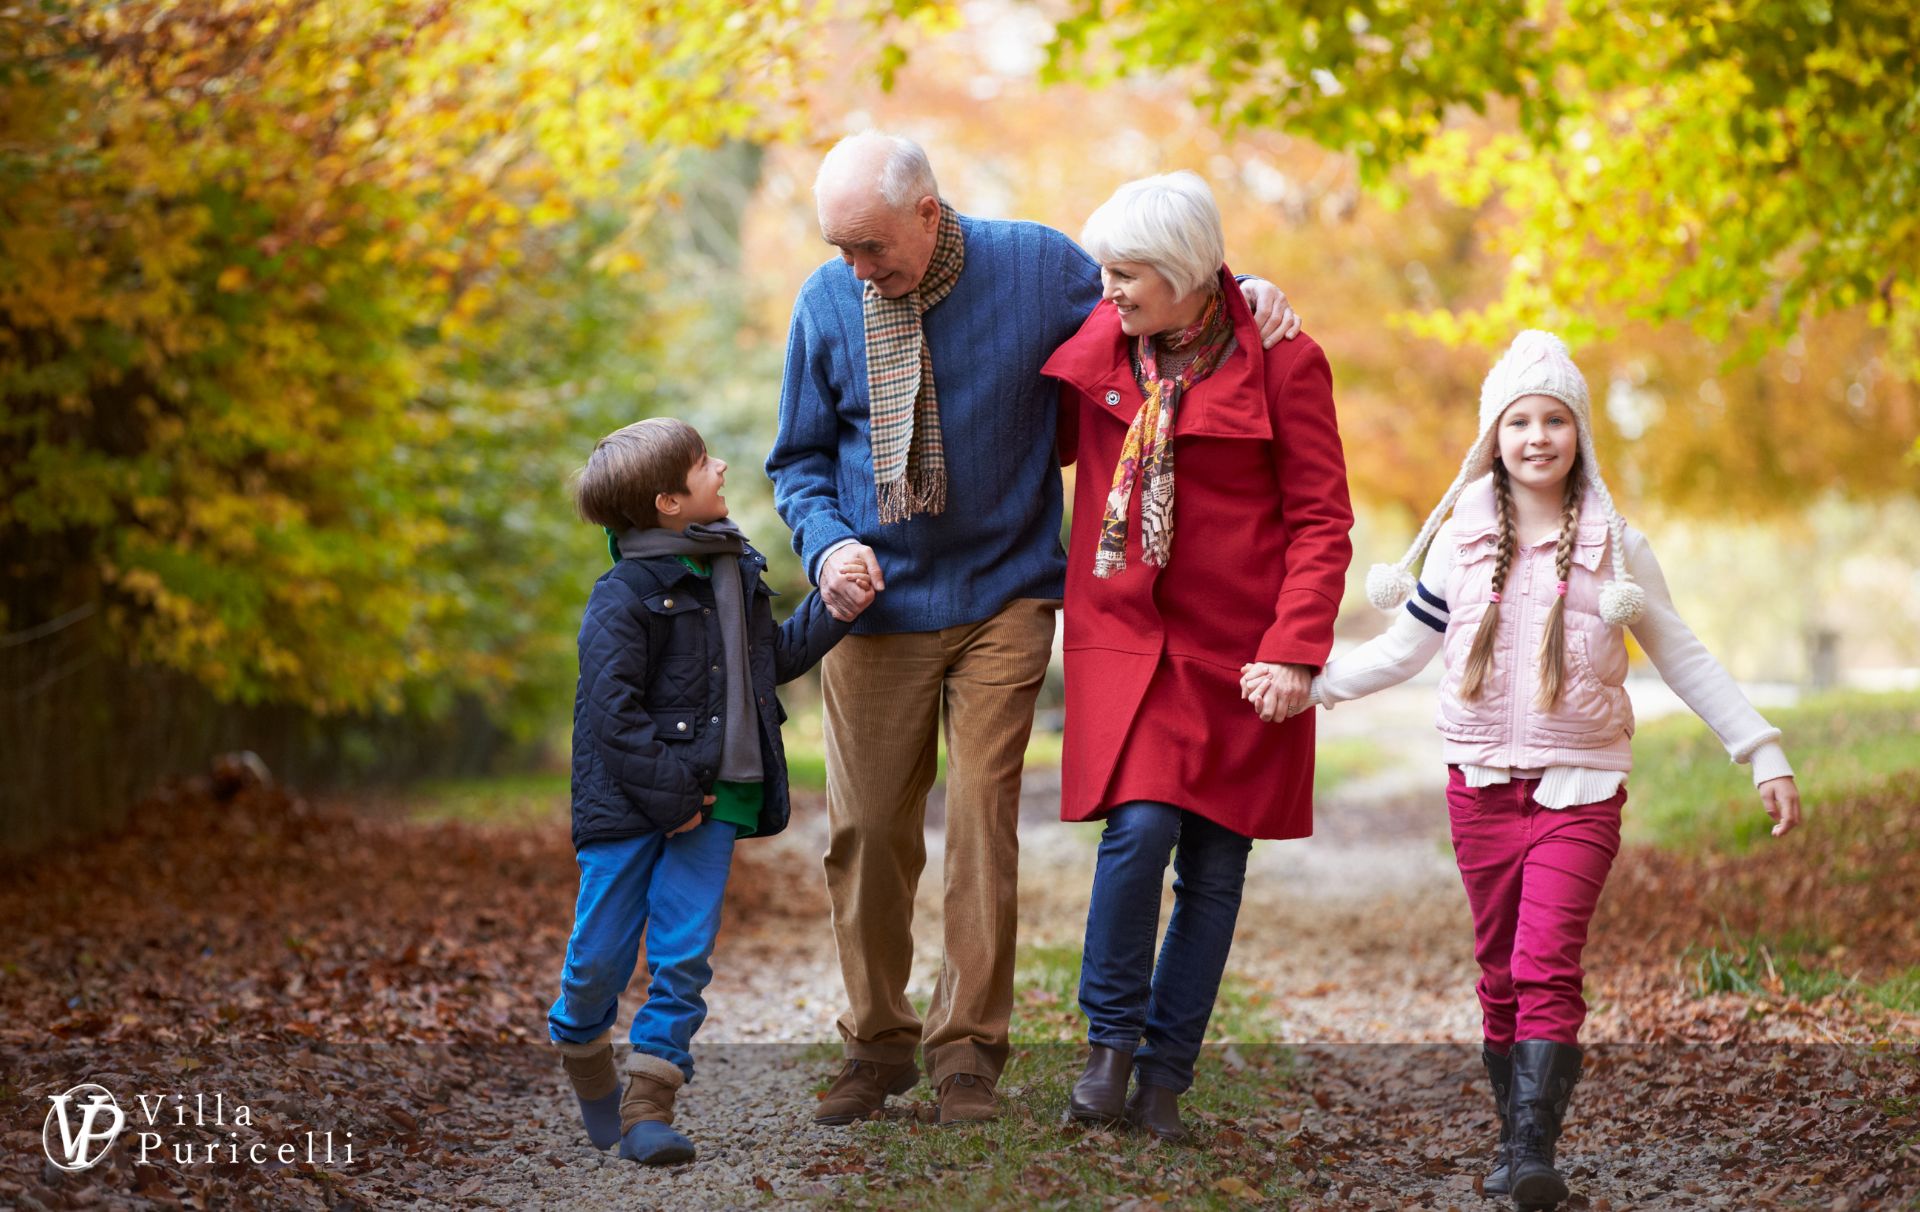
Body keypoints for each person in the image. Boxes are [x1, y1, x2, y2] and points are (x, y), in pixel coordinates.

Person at [768, 131, 1303, 1126]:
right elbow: (797, 460)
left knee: (979, 815)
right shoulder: (826, 303)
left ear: (929, 212)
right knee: (869, 830)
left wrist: (1248, 289)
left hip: (1008, 590)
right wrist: (827, 542)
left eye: (873, 247)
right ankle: (876, 1045)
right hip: (875, 602)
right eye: (840, 247)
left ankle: (967, 1052)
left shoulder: (1038, 266)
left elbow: (1162, 303)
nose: (856, 268)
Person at [1261, 330, 1804, 1208]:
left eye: (1556, 419)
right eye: (1521, 421)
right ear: (1494, 436)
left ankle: (1530, 1152)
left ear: (1580, 432)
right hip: (1479, 782)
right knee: (1501, 971)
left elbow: (1683, 653)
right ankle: (1515, 1139)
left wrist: (1761, 748)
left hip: (1580, 786)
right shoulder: (1462, 538)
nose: (1538, 437)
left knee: (1548, 961)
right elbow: (1406, 648)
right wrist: (1315, 683)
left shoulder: (1617, 546)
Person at [1039, 172, 1353, 1142]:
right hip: (1129, 643)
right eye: (1106, 270)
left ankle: (1164, 1083)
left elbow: (1320, 519)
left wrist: (1295, 650)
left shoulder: (1286, 361)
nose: (1110, 289)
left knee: (1216, 867)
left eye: (1130, 274)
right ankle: (1109, 1052)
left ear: (1183, 277)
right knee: (1137, 835)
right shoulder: (1102, 343)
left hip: (1243, 653)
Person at [549, 418, 872, 1165]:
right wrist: (671, 795)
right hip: (633, 803)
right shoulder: (623, 593)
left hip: (717, 797)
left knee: (683, 953)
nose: (721, 466)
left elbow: (768, 664)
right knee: (599, 955)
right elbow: (612, 712)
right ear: (668, 500)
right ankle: (582, 1045)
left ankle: (649, 1104)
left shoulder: (735, 572)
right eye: (702, 463)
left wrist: (835, 609)